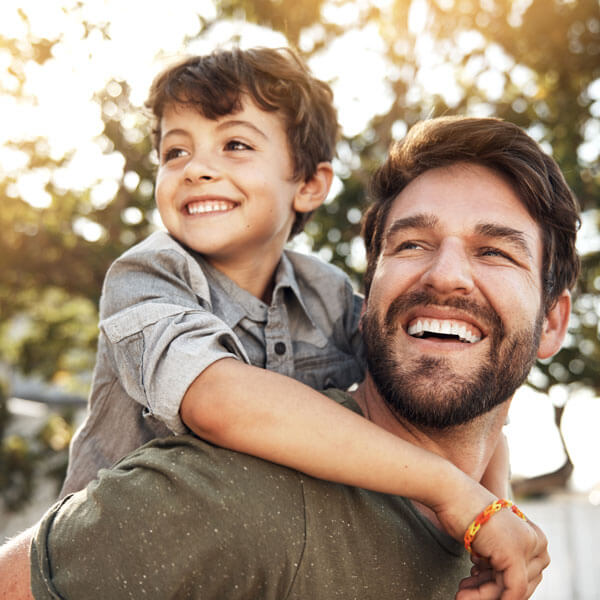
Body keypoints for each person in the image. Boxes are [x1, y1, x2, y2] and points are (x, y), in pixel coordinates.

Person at [0, 115, 579, 599]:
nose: (447, 273)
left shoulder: (492, 541)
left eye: (495, 251)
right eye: (411, 244)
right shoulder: (229, 497)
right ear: (364, 302)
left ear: (552, 322)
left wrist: (486, 505)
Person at [57, 45, 516, 558]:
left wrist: (495, 508)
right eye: (175, 152)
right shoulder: (147, 275)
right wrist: (449, 488)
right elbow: (217, 401)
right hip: (119, 561)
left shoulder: (331, 295)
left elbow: (449, 392)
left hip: (254, 560)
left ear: (309, 184)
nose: (196, 169)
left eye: (234, 144)